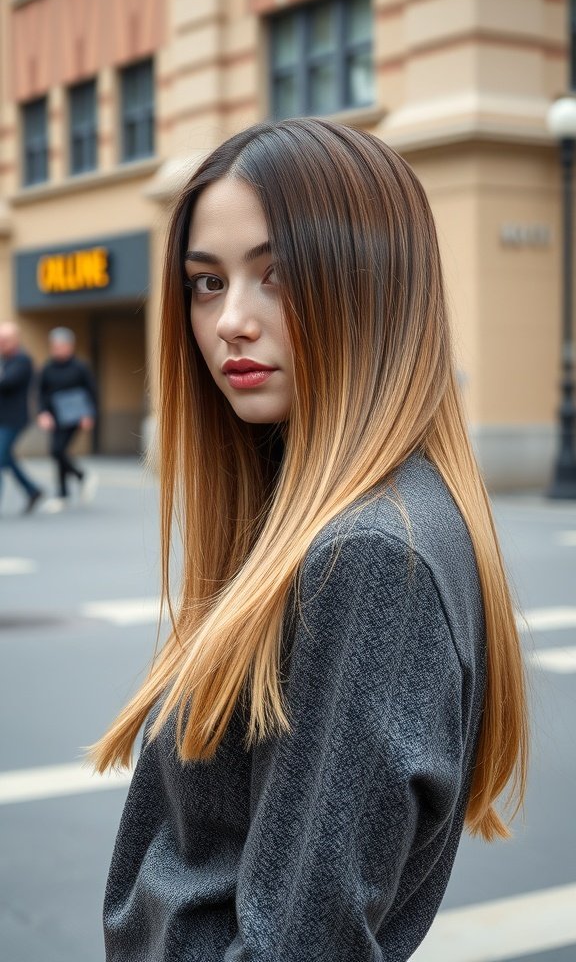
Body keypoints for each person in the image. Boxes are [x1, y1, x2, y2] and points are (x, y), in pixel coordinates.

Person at [91, 119, 528, 962]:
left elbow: (302, 943)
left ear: (374, 288)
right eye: (207, 283)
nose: (231, 323)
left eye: (277, 276)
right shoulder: (338, 523)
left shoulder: (370, 555)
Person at [37, 327, 98, 508]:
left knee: (58, 450)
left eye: (60, 346)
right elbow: (41, 393)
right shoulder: (48, 368)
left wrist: (89, 414)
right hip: (55, 416)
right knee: (58, 452)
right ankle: (66, 491)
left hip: (76, 416)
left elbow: (92, 391)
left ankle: (76, 481)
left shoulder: (80, 367)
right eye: (54, 346)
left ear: (70, 346)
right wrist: (43, 413)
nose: (57, 349)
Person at [0, 321, 43, 514]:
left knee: (0, 457)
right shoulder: (4, 360)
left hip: (13, 420)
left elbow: (7, 383)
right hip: (2, 419)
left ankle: (32, 490)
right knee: (6, 458)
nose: (1, 343)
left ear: (15, 340)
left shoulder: (22, 360)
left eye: (5, 339)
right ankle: (32, 490)